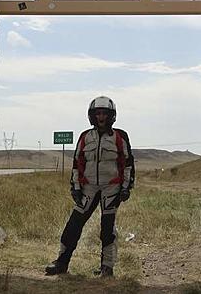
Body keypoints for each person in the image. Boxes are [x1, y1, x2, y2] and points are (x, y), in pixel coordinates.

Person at [45, 96, 135, 277]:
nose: (101, 117)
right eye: (97, 113)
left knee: (107, 229)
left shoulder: (120, 136)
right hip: (88, 189)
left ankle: (107, 268)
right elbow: (77, 164)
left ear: (111, 116)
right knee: (73, 226)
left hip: (111, 189)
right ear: (92, 116)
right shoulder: (85, 137)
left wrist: (126, 187)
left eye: (104, 114)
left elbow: (128, 164)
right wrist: (75, 188)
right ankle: (61, 263)